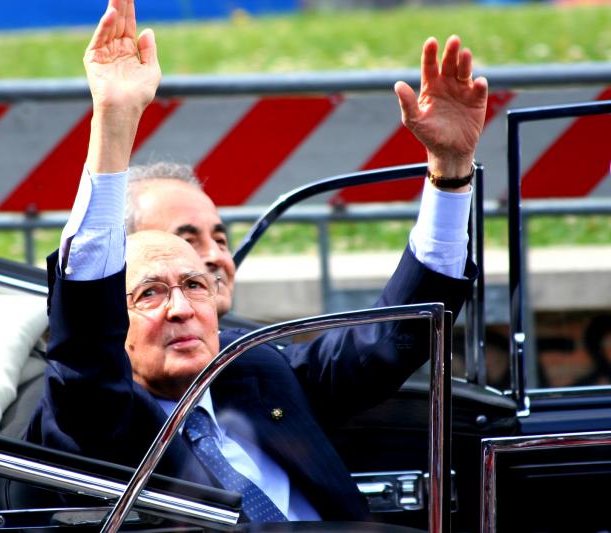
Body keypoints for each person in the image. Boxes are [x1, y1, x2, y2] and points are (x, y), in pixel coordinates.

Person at [27, 0, 484, 522]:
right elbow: (84, 344)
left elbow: (392, 337)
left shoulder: (254, 369)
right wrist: (113, 124)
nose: (182, 305)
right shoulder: (94, 415)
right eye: (150, 292)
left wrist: (450, 174)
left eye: (195, 283)